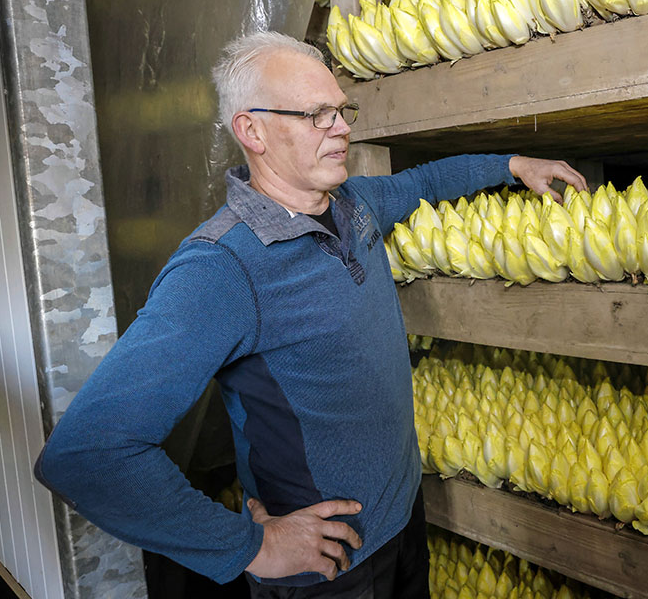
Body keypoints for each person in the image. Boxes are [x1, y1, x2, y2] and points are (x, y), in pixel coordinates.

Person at [34, 31, 588, 597]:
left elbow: (423, 182)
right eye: (317, 115)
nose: (343, 127)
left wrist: (514, 164)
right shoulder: (221, 269)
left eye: (342, 110)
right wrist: (252, 547)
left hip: (400, 524)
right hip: (327, 572)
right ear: (252, 131)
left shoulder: (356, 205)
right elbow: (89, 454)